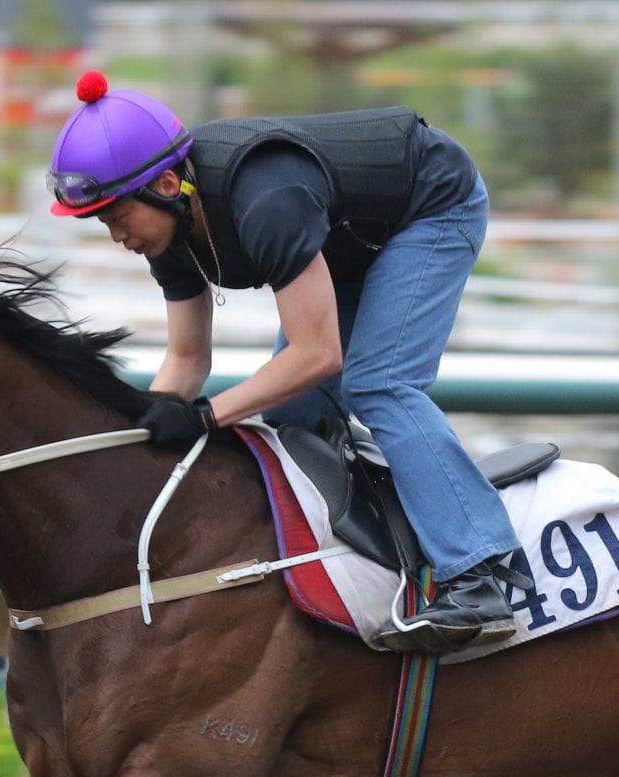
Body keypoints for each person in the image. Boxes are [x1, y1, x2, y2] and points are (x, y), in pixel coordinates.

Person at [47, 70, 527, 655]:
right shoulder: (167, 227)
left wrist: (202, 420)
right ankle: (365, 572)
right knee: (291, 423)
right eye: (102, 221)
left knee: (378, 383)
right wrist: (141, 434)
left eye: (116, 215)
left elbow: (317, 355)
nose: (115, 234)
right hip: (347, 236)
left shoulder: (265, 199)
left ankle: (479, 577)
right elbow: (187, 358)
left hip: (429, 207)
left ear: (168, 183)